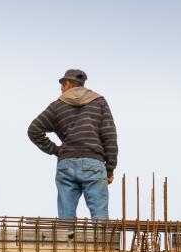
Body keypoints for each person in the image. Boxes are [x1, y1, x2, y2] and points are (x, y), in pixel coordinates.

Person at [28, 69, 118, 219]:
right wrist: (110, 168)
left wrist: (56, 150)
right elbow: (109, 136)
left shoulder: (57, 106)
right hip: (93, 162)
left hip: (66, 164)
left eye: (62, 86)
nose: (61, 90)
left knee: (66, 218)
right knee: (100, 216)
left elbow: (34, 130)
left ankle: (66, 240)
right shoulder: (99, 102)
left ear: (68, 84)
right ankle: (102, 242)